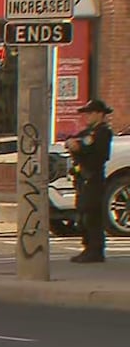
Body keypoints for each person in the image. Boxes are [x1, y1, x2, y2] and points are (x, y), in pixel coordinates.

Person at [64, 99, 114, 263]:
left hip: (93, 177)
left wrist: (79, 149)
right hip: (83, 178)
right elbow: (74, 141)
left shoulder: (102, 132)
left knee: (92, 213)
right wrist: (72, 144)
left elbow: (96, 154)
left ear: (100, 114)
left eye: (91, 113)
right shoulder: (88, 132)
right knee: (83, 212)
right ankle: (88, 247)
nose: (87, 116)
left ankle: (95, 249)